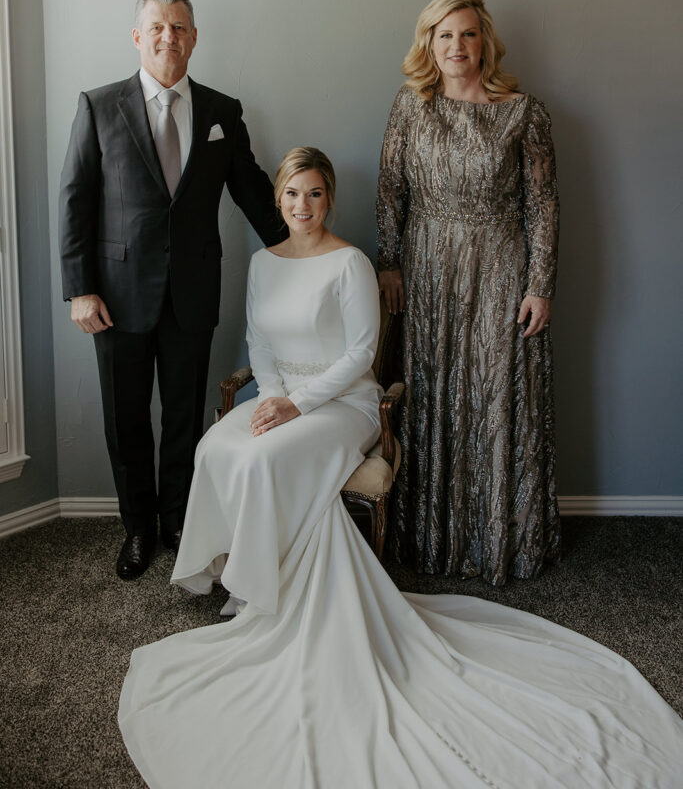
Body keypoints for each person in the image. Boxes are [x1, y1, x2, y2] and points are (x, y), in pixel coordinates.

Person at [119, 148, 682, 789]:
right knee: (215, 447)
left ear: (328, 199)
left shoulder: (351, 261)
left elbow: (363, 354)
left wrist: (298, 405)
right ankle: (235, 568)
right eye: (292, 195)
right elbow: (261, 342)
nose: (303, 207)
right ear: (277, 200)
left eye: (314, 195)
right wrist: (271, 398)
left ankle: (255, 589)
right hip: (281, 396)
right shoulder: (261, 263)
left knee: (269, 456)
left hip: (343, 403)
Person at [59, 0, 282, 581]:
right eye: (156, 27)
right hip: (115, 299)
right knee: (125, 417)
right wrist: (79, 289)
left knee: (182, 415)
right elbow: (76, 200)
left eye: (179, 27)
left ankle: (178, 519)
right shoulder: (98, 106)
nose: (168, 37)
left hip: (192, 294)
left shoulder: (221, 112)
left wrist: (301, 250)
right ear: (137, 36)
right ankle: (137, 527)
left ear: (194, 37)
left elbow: (253, 191)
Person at [376, 0, 560, 585]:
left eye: (469, 34)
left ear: (486, 42)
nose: (458, 46)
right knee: (431, 392)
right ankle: (434, 542)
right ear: (429, 42)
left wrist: (540, 284)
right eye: (445, 35)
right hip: (428, 270)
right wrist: (390, 265)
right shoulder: (411, 108)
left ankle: (500, 541)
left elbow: (544, 206)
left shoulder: (524, 112)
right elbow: (390, 193)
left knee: (495, 397)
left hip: (503, 270)